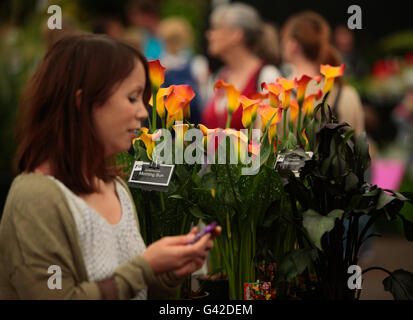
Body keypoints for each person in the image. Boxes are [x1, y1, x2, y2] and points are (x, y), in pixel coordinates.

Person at [0, 34, 220, 299]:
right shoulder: (35, 197)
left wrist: (169, 272)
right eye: (131, 98)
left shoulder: (116, 187)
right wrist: (146, 266)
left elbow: (133, 290)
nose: (142, 112)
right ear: (82, 103)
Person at [280, 11, 365, 139]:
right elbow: (362, 150)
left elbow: (258, 154)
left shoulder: (277, 96)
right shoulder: (348, 94)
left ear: (292, 45)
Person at [201, 2, 282, 130]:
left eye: (216, 28)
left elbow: (266, 139)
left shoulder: (267, 76)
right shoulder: (220, 76)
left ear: (236, 34)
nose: (209, 35)